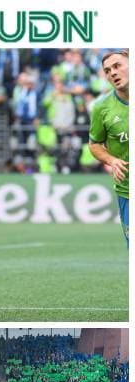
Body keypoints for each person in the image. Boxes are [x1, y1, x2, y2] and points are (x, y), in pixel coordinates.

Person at [88, 50, 128, 245]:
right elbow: (94, 144)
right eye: (107, 70)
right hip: (128, 191)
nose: (112, 72)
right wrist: (112, 160)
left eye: (117, 66)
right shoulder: (101, 108)